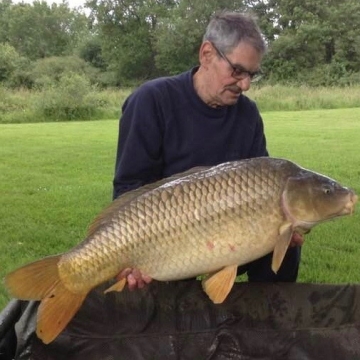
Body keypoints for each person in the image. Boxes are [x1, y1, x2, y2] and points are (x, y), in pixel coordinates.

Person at [112, 11, 304, 290]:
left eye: (252, 75)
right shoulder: (152, 101)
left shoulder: (247, 114)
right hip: (167, 236)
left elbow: (262, 182)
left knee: (286, 244)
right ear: (207, 54)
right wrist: (130, 253)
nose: (245, 85)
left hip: (232, 235)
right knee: (152, 296)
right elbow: (128, 188)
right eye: (237, 71)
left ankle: (266, 321)